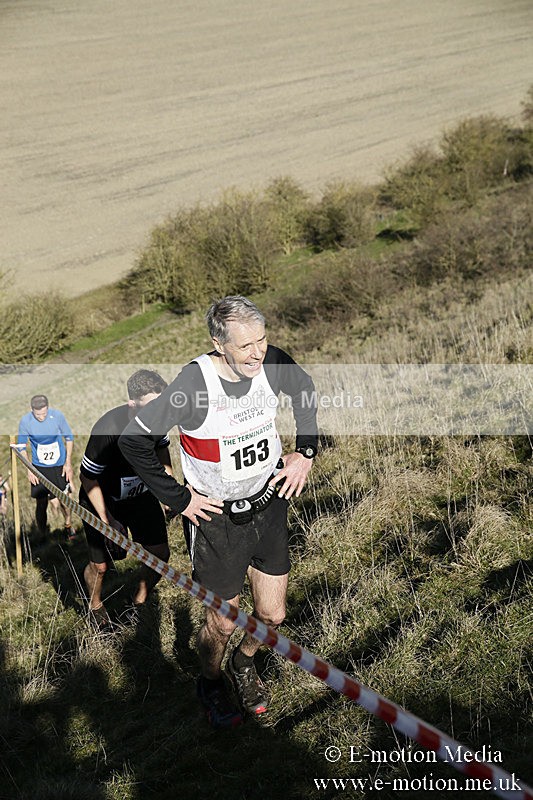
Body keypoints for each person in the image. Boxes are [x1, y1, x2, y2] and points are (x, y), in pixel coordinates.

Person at [119, 295, 318, 727]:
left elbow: (304, 388)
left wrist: (306, 451)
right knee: (224, 622)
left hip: (268, 504)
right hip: (216, 520)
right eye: (246, 346)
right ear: (218, 343)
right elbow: (133, 442)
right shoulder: (193, 386)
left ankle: (243, 664)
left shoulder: (270, 361)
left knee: (272, 615)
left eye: (262, 340)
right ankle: (210, 682)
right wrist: (180, 499)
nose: (258, 353)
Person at [79, 369, 173, 630]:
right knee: (101, 566)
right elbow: (87, 478)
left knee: (160, 555)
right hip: (102, 498)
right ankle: (95, 606)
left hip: (139, 495)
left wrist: (168, 488)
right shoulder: (107, 429)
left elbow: (163, 453)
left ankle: (138, 603)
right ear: (133, 404)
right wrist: (107, 520)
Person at [18, 395, 75, 538]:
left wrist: (68, 464)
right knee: (41, 503)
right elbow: (21, 447)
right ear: (32, 410)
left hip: (59, 465)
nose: (42, 417)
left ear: (48, 408)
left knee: (64, 500)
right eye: (38, 414)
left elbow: (69, 438)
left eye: (44, 413)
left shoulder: (57, 416)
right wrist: (30, 469)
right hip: (39, 468)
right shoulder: (26, 421)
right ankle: (43, 535)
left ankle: (68, 525)